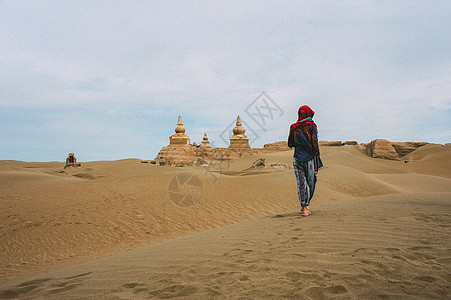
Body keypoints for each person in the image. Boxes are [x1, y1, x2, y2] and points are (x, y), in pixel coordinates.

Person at [288, 105, 321, 217]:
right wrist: (318, 157)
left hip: (297, 157)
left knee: (302, 183)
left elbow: (290, 143)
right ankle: (305, 206)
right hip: (309, 158)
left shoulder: (294, 127)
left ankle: (305, 205)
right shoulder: (312, 126)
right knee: (310, 182)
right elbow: (315, 143)